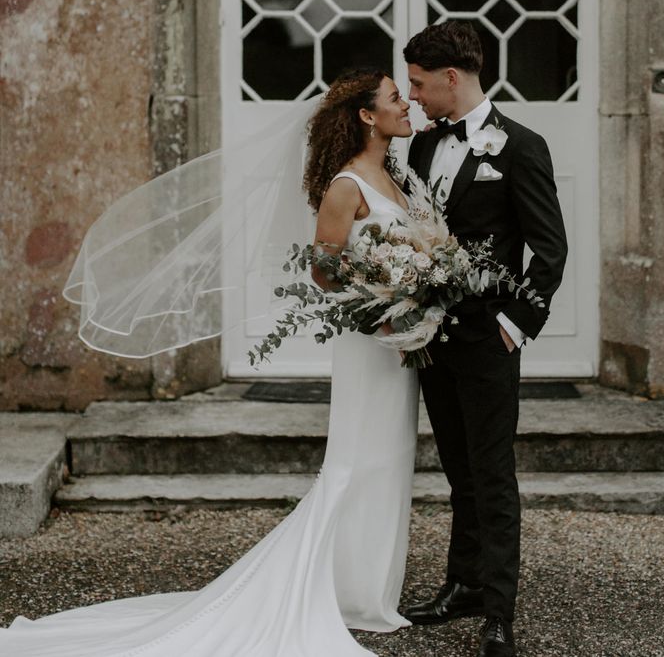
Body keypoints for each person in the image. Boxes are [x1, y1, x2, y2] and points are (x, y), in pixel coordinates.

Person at [0, 69, 418, 656]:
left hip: (399, 341)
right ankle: (338, 591)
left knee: (390, 459)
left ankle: (369, 592)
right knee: (357, 460)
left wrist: (419, 289)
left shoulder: (395, 173)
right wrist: (382, 297)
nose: (407, 104)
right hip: (368, 337)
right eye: (396, 97)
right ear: (367, 117)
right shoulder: (346, 185)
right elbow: (323, 270)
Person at [400, 21, 568, 657]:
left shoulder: (521, 147)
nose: (413, 96)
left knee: (493, 474)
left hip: (488, 338)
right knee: (457, 471)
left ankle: (498, 611)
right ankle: (462, 584)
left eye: (418, 84)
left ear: (451, 78)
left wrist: (515, 324)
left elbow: (549, 250)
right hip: (433, 338)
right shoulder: (421, 148)